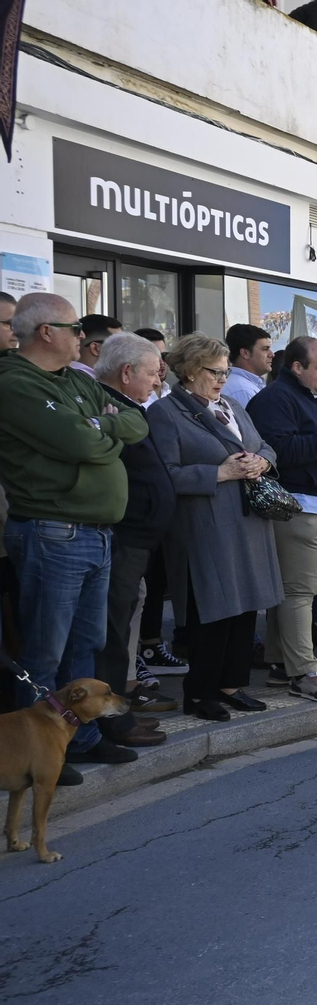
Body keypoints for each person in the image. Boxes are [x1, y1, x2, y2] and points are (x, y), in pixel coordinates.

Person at [0, 294, 150, 771]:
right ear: (46, 332)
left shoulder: (75, 382)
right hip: (52, 532)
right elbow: (78, 441)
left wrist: (100, 428)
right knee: (46, 651)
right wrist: (99, 432)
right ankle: (35, 756)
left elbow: (135, 420)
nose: (82, 338)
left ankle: (77, 742)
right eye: (75, 328)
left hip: (95, 533)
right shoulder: (15, 383)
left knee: (83, 648)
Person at [146, 333, 281, 724]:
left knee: (245, 608)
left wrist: (262, 462)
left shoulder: (234, 405)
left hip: (248, 521)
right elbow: (165, 475)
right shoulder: (166, 412)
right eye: (214, 371)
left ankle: (230, 685)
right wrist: (218, 473)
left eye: (225, 371)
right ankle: (200, 692)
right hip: (205, 525)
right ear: (188, 371)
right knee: (213, 610)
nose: (222, 378)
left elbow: (266, 447)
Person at [248, 337, 317, 702]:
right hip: (303, 508)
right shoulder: (275, 399)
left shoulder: (302, 397)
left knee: (292, 592)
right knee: (299, 593)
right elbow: (280, 451)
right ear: (297, 367)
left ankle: (282, 665)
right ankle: (304, 673)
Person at [92, 334, 176, 730]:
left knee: (121, 619)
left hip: (138, 538)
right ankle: (109, 719)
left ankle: (118, 708)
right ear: (126, 373)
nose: (157, 382)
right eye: (151, 373)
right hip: (122, 536)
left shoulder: (129, 408)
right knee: (110, 626)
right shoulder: (105, 406)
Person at [221, 323, 273, 408]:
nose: (271, 354)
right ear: (245, 353)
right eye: (265, 349)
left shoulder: (245, 386)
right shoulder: (242, 390)